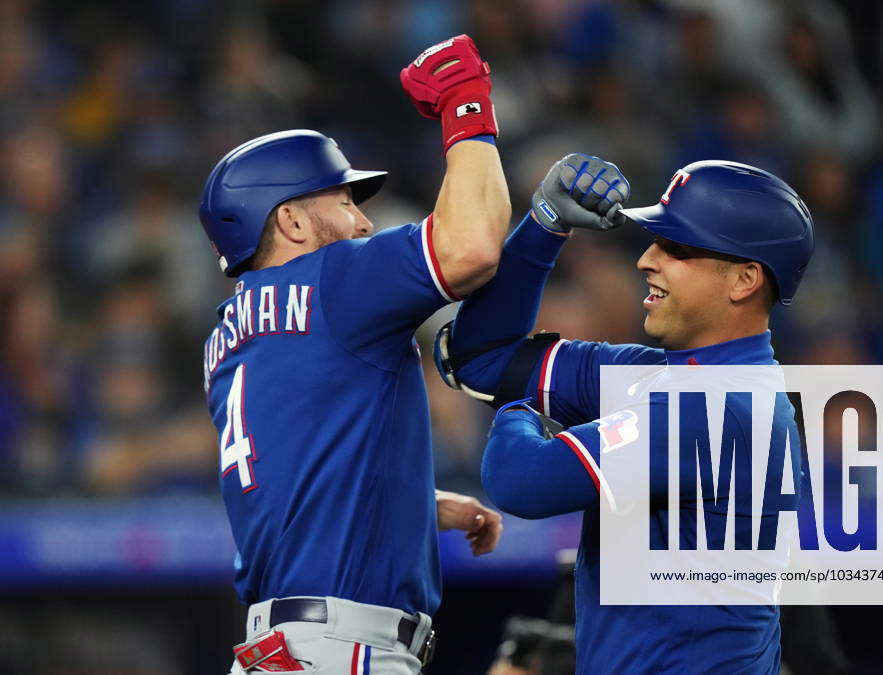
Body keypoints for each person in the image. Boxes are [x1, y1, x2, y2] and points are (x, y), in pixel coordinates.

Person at [198, 35, 509, 674]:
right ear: (291, 222)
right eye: (343, 200)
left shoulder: (227, 337)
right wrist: (467, 104)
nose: (363, 222)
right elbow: (473, 245)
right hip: (344, 650)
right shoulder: (334, 281)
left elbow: (299, 481)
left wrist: (416, 507)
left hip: (279, 649)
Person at [435, 154, 814, 673]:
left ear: (744, 280)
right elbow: (482, 359)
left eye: (676, 248)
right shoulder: (659, 376)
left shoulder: (724, 406)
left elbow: (519, 480)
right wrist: (545, 224)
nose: (646, 259)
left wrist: (523, 410)